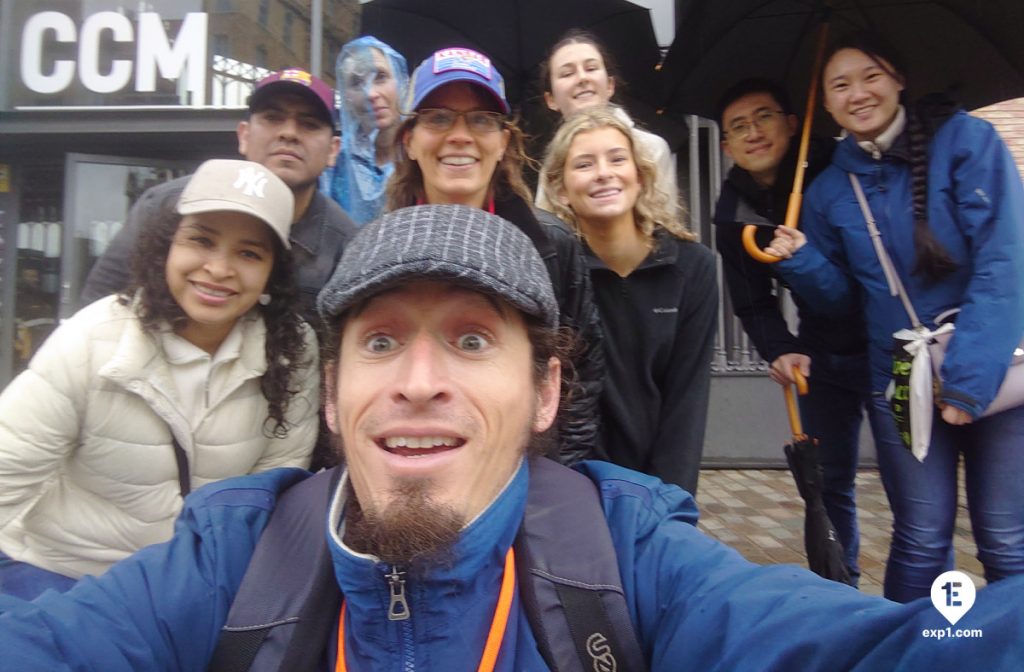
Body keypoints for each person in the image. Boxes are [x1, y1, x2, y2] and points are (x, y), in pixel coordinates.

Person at [2, 204, 1023, 671]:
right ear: (330, 394)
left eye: (472, 340)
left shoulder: (629, 564)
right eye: (383, 340)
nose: (418, 382)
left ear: (543, 394)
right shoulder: (229, 559)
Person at [766, 36, 1024, 602]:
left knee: (1006, 541)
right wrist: (803, 260)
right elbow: (841, 303)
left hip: (995, 373)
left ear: (900, 77)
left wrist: (968, 381)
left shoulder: (966, 142)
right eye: (840, 85)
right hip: (902, 382)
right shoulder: (830, 188)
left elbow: (1004, 262)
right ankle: (916, 653)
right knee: (921, 539)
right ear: (826, 107)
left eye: (871, 75)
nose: (858, 93)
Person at [0, 159, 320, 600]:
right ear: (165, 246)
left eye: (249, 253)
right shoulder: (92, 338)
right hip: (64, 579)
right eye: (201, 241)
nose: (219, 268)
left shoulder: (292, 351)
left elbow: (272, 487)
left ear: (273, 273)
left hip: (196, 589)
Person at [386, 46, 604, 465]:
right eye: (438, 117)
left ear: (503, 142)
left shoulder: (551, 245)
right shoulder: (376, 251)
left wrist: (556, 477)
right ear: (410, 140)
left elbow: (581, 378)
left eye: (482, 119)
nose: (460, 136)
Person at [712, 78, 871, 581]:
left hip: (887, 345)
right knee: (827, 484)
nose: (753, 133)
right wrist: (779, 349)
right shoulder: (734, 212)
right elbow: (751, 300)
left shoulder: (840, 172)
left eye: (764, 117)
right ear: (725, 146)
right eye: (739, 126)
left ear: (792, 123)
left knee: (915, 490)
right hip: (822, 353)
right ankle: (838, 586)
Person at [82, 68, 358, 328]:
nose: (288, 133)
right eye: (273, 118)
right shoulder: (166, 206)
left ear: (334, 150)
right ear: (244, 136)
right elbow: (96, 313)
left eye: (309, 124)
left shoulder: (347, 246)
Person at [537, 106, 716, 494]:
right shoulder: (557, 271)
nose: (604, 172)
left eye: (617, 159)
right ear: (560, 189)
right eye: (584, 164)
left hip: (656, 486)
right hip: (572, 483)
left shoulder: (692, 268)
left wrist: (671, 503)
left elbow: (687, 400)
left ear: (640, 174)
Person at [535, 28, 679, 211]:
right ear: (551, 99)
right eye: (567, 73)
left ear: (610, 85)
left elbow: (664, 225)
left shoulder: (651, 149)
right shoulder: (552, 165)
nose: (582, 78)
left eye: (591, 68)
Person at [320, 36, 409, 225]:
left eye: (381, 77)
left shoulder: (422, 154)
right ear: (346, 97)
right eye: (356, 83)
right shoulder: (334, 161)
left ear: (400, 81)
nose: (370, 94)